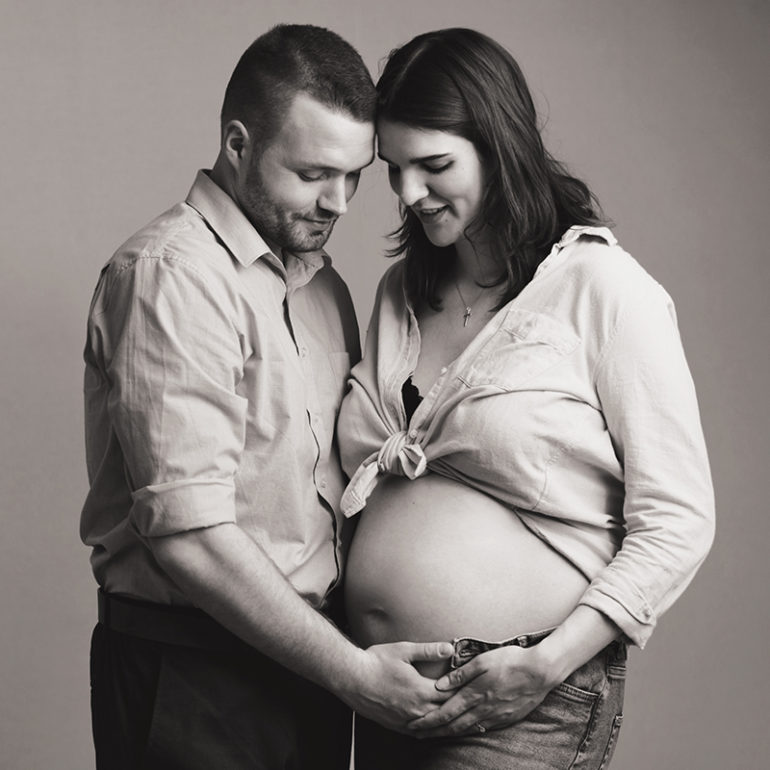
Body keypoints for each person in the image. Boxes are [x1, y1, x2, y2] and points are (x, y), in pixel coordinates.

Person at [338, 27, 715, 769]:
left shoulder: (602, 290)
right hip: (383, 693)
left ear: (499, 145)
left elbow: (678, 519)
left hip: (518, 702)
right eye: (394, 169)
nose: (408, 194)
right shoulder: (400, 293)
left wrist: (545, 664)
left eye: (434, 166)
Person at [80, 24, 455, 770]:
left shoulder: (323, 287)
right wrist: (356, 676)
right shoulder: (173, 276)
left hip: (306, 665)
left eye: (354, 176)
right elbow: (188, 535)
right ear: (238, 144)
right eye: (314, 173)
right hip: (196, 676)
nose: (338, 202)